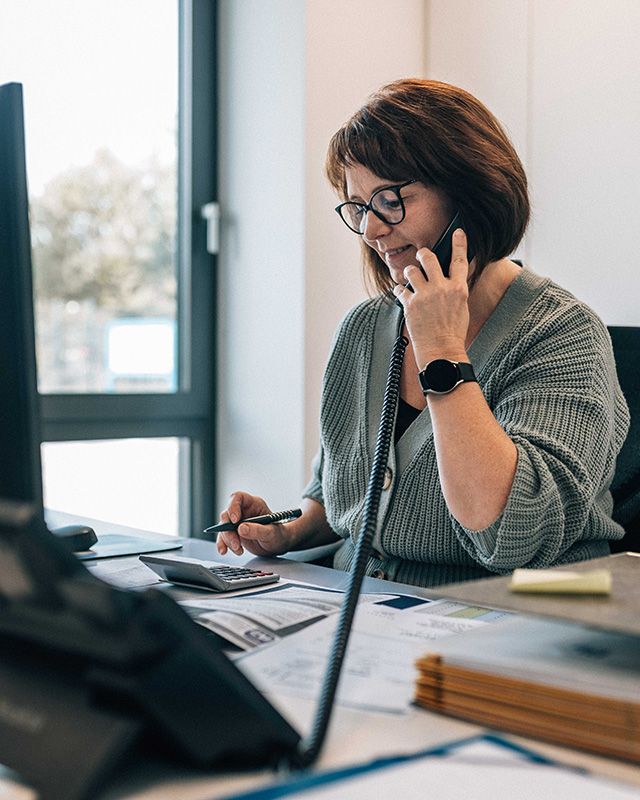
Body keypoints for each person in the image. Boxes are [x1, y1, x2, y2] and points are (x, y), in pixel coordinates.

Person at [217, 78, 629, 588]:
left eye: (390, 199)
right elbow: (340, 489)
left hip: (508, 619)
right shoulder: (364, 329)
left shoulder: (563, 333)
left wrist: (442, 351)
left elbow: (510, 532)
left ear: (467, 190)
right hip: (363, 604)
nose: (371, 229)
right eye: (359, 207)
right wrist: (291, 529)